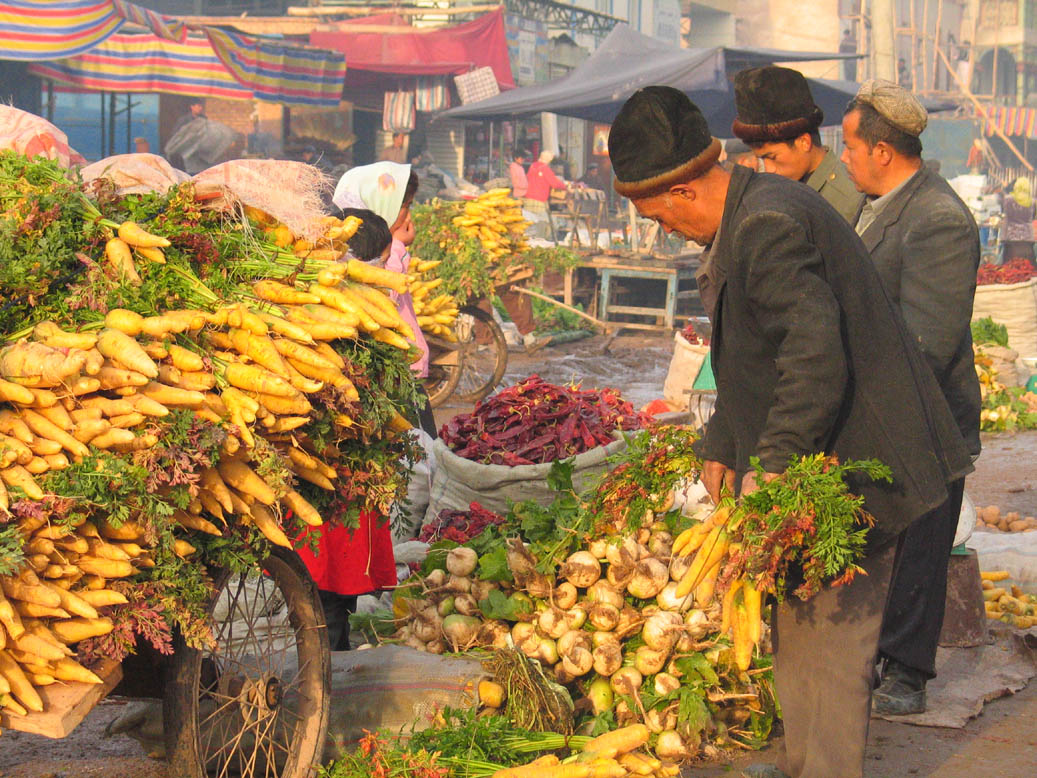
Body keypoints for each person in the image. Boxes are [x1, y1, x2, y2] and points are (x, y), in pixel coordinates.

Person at [609, 85, 971, 778]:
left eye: (657, 216)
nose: (664, 231)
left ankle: (826, 767)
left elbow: (811, 350)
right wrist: (721, 444)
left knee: (832, 640)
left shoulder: (766, 223)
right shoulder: (751, 212)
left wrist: (771, 461)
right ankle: (804, 761)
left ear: (683, 190)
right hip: (824, 454)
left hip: (860, 462)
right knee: (794, 620)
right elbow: (749, 349)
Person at [841, 79, 981, 716]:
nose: (842, 158)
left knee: (922, 545)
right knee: (884, 544)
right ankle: (878, 660)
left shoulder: (938, 220)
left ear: (881, 151)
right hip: (881, 411)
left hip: (925, 418)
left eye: (848, 146)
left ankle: (908, 675)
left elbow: (929, 340)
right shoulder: (876, 204)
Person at [295, 207, 397, 652]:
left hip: (343, 461)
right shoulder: (328, 305)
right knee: (324, 581)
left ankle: (328, 650)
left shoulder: (357, 309)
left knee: (330, 585)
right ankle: (325, 660)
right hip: (329, 458)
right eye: (381, 264)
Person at [331, 162, 436, 437]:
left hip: (401, 363)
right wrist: (398, 248)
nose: (408, 216)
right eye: (405, 206)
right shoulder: (358, 246)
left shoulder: (382, 242)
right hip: (392, 369)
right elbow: (383, 294)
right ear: (381, 204)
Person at [732, 66, 863, 224]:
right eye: (762, 160)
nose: (769, 169)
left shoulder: (847, 198)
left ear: (804, 142)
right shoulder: (782, 190)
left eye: (772, 157)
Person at [1001, 177, 1036, 262]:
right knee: (1028, 268)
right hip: (1027, 239)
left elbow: (1005, 213)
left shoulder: (1008, 199)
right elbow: (1033, 217)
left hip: (1010, 238)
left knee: (1010, 266)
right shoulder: (1033, 202)